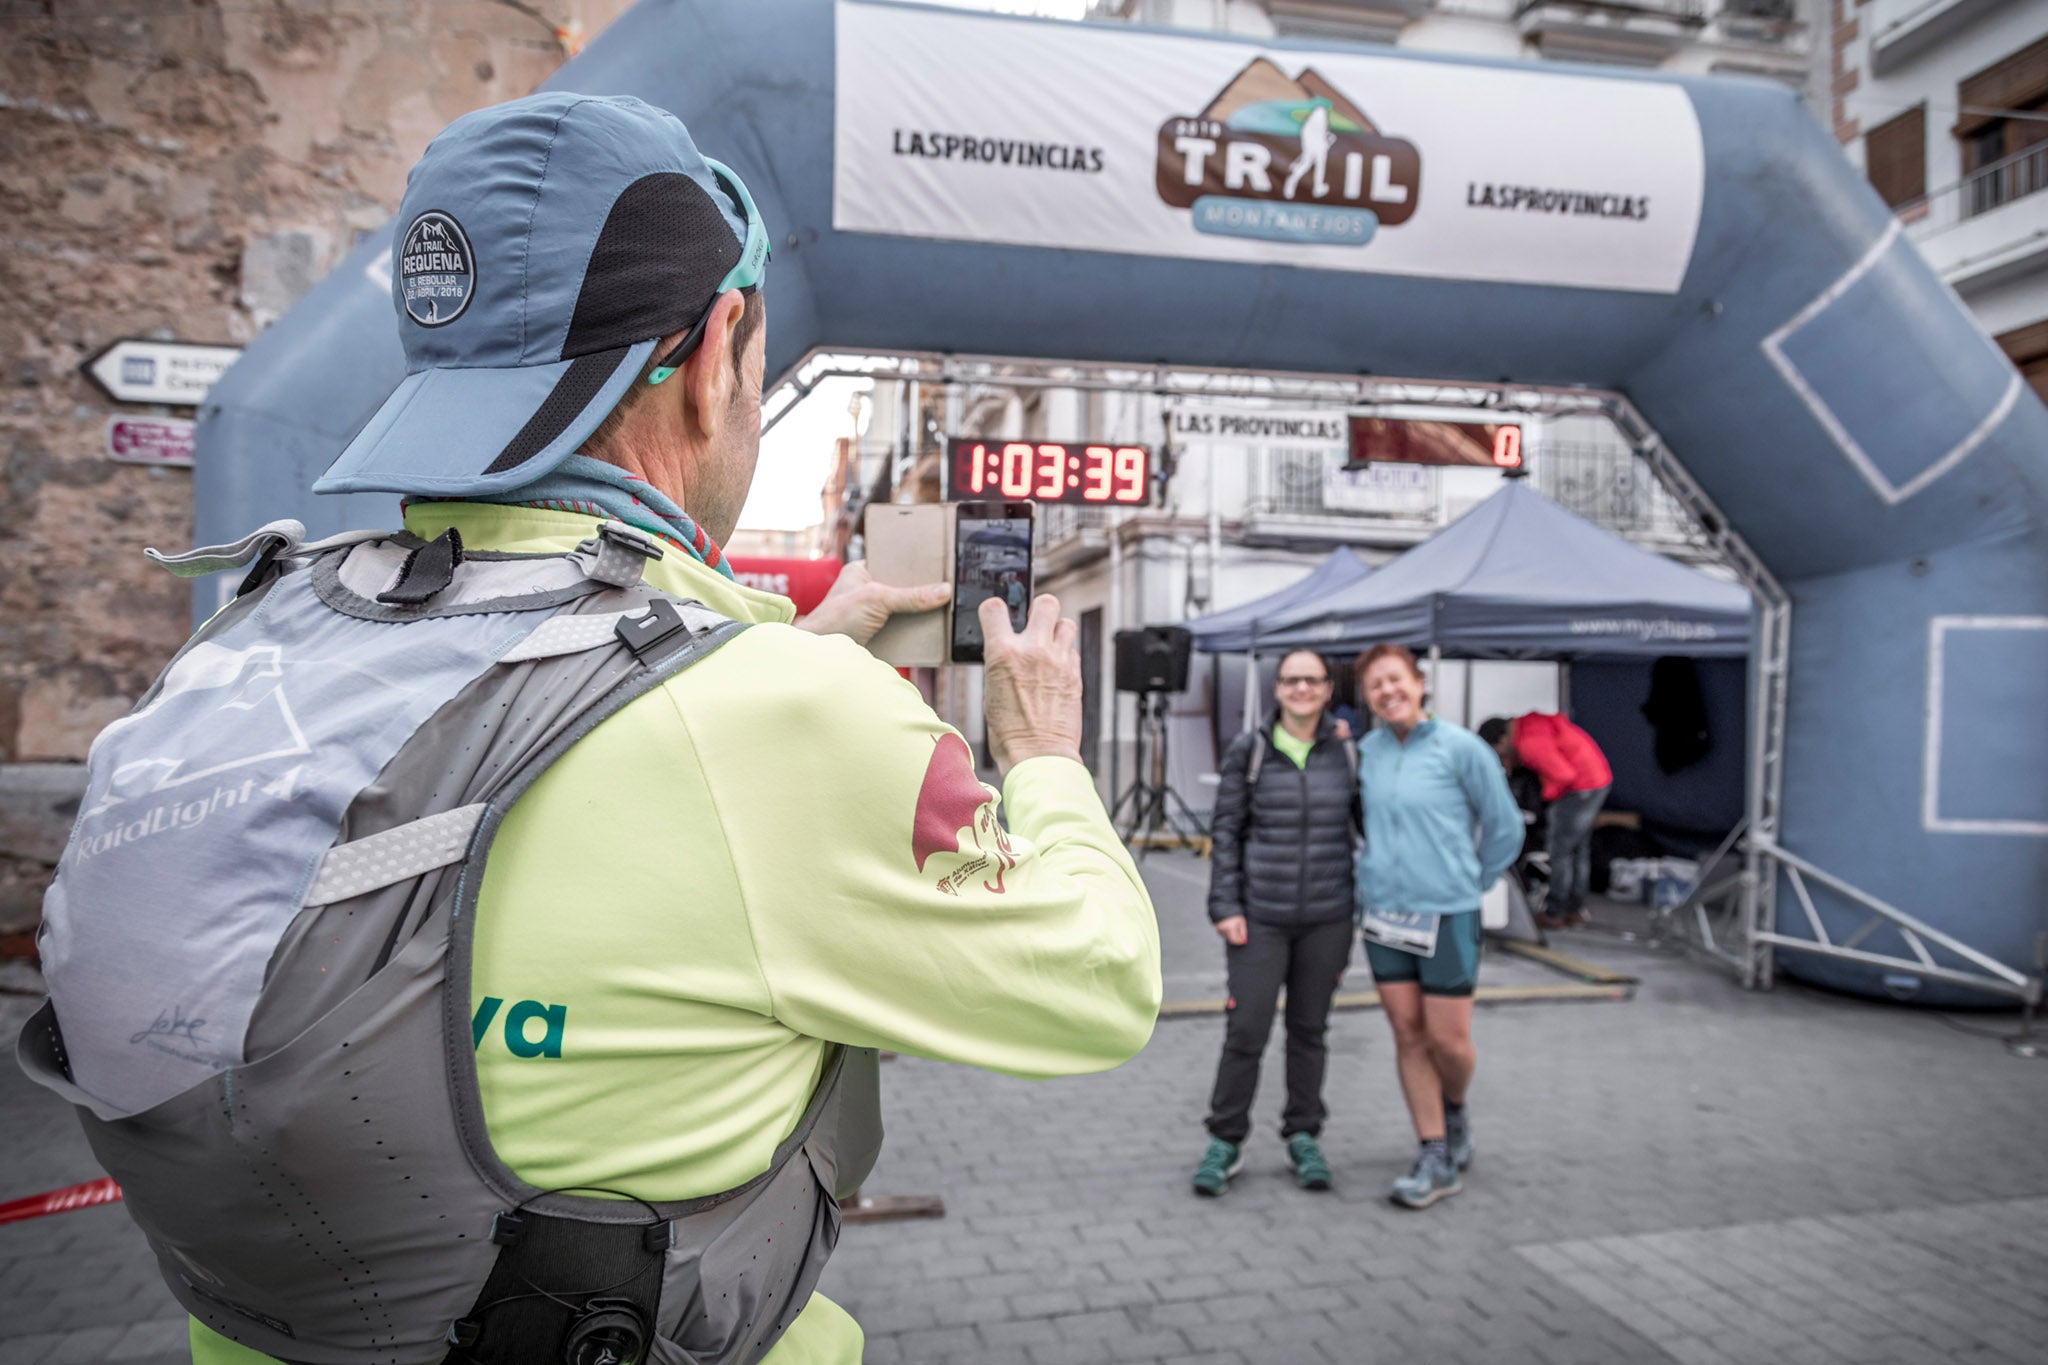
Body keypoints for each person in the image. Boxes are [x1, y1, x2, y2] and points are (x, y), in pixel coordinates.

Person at [24, 93, 1161, 1365]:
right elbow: (1096, 987)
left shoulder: (249, 638)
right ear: (722, 340)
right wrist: (1045, 755)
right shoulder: (780, 720)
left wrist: (783, 644)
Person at [1355, 645, 1521, 1209]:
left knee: (1448, 1041)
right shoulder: (1367, 752)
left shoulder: (1461, 749)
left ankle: (1454, 1108)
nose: (1388, 692)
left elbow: (1504, 827)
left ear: (1419, 683)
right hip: (1383, 915)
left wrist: (1471, 881)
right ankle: (1433, 1154)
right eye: (1376, 685)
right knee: (1407, 1035)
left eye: (1396, 680)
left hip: (1448, 914)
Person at [1192, 650, 1358, 1197]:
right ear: (1278, 688)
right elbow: (1227, 833)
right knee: (1247, 1031)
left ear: (1328, 688)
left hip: (1327, 919)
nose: (1302, 688)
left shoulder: (1348, 753)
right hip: (1259, 918)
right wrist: (1226, 907)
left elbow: (1372, 828)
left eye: (1312, 680)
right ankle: (1226, 1139)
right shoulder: (1252, 749)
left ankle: (1304, 1134)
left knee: (1309, 1033)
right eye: (1292, 680)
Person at [1479, 712, 1613, 929]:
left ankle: (1555, 912)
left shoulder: (1529, 743)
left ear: (1502, 739)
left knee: (1560, 851)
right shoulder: (1529, 728)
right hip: (1597, 779)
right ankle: (1574, 909)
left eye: (1497, 752)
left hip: (1580, 789)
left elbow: (1563, 775)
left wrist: (1546, 798)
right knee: (1578, 850)